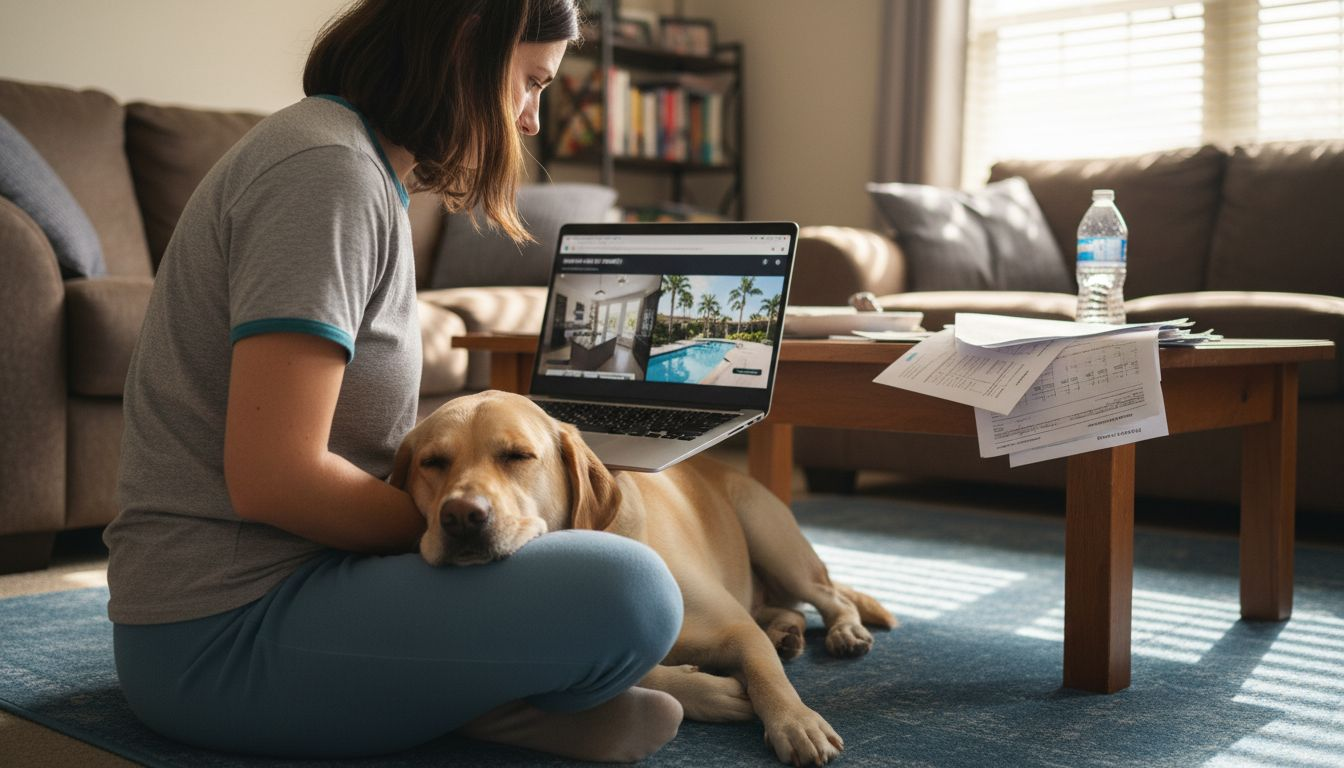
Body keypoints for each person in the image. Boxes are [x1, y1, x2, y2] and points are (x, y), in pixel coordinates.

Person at [103, 0, 685, 761]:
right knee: (631, 592)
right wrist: (464, 519)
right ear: (469, 49)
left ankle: (461, 703)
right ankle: (487, 712)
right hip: (217, 635)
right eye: (532, 82)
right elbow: (273, 480)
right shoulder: (328, 173)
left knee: (603, 556)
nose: (532, 119)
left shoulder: (358, 167)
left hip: (300, 590)